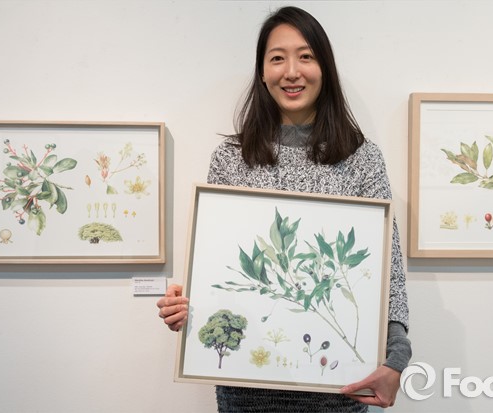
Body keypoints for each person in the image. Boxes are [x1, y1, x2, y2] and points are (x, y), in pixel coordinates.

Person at [157, 6, 411, 412]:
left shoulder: (362, 158)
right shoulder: (231, 158)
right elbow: (218, 268)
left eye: (305, 56)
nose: (292, 72)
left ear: (324, 67)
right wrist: (188, 304)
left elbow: (388, 272)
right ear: (262, 72)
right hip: (244, 388)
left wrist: (396, 357)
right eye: (277, 58)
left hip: (340, 388)